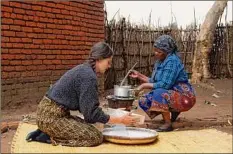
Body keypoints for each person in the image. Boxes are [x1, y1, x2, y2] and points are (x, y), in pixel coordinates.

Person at [26, 42, 136, 147]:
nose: (109, 66)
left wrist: (115, 113)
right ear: (99, 59)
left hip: (51, 114)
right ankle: (48, 136)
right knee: (95, 136)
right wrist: (120, 120)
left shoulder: (85, 71)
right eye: (108, 62)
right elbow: (90, 115)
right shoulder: (88, 77)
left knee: (89, 127)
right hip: (51, 117)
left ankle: (47, 131)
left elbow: (88, 109)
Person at [129, 35, 196, 132]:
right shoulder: (160, 62)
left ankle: (167, 124)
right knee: (144, 100)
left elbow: (164, 85)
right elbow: (154, 82)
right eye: (155, 50)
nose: (156, 53)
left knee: (159, 93)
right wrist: (139, 76)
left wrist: (143, 86)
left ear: (167, 52)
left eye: (159, 52)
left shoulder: (172, 61)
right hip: (173, 93)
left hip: (185, 97)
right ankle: (172, 114)